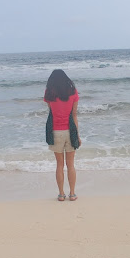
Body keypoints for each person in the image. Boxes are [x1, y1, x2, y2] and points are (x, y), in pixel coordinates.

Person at [44, 69, 81, 201]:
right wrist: (77, 135)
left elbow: (51, 111)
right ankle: (72, 194)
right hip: (70, 131)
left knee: (59, 164)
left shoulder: (49, 93)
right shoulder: (73, 92)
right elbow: (74, 115)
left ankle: (61, 194)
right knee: (70, 164)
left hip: (55, 131)